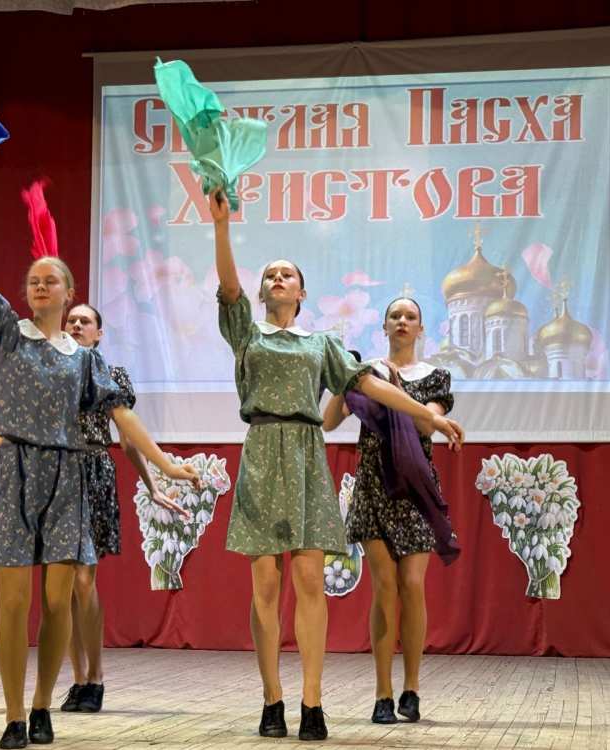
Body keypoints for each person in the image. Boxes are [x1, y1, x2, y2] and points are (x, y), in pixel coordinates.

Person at [209, 190, 464, 742]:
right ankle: (272, 698)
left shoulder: (322, 342)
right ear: (262, 291)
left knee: (309, 580)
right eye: (270, 275)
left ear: (302, 293)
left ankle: (313, 702)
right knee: (264, 586)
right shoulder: (247, 333)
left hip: (305, 454)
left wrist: (428, 414)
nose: (278, 279)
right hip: (262, 451)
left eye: (287, 275)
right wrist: (222, 228)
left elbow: (366, 384)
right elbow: (228, 288)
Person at [0, 188, 198, 749]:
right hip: (16, 472)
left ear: (69, 292)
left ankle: (43, 704)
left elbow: (122, 416)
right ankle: (14, 715)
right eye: (33, 281)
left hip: (68, 479)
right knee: (14, 602)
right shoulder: (7, 334)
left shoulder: (85, 359)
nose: (40, 286)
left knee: (59, 602)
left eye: (51, 280)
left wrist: (164, 463)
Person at [323, 297, 458, 725]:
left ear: (421, 328)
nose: (402, 321)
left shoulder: (436, 377)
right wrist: (343, 380)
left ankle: (411, 689)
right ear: (383, 327)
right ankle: (382, 693)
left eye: (410, 317)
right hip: (373, 486)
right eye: (395, 316)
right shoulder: (367, 374)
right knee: (384, 587)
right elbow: (329, 421)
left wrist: (394, 389)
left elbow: (425, 423)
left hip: (414, 487)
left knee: (412, 585)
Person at [58, 303, 190, 714]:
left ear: (99, 334)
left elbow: (128, 440)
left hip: (94, 471)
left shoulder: (111, 375)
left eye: (85, 321)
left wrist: (153, 485)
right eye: (71, 320)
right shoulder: (51, 372)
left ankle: (95, 676)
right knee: (61, 586)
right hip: (56, 473)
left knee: (84, 579)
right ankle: (77, 679)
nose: (77, 325)